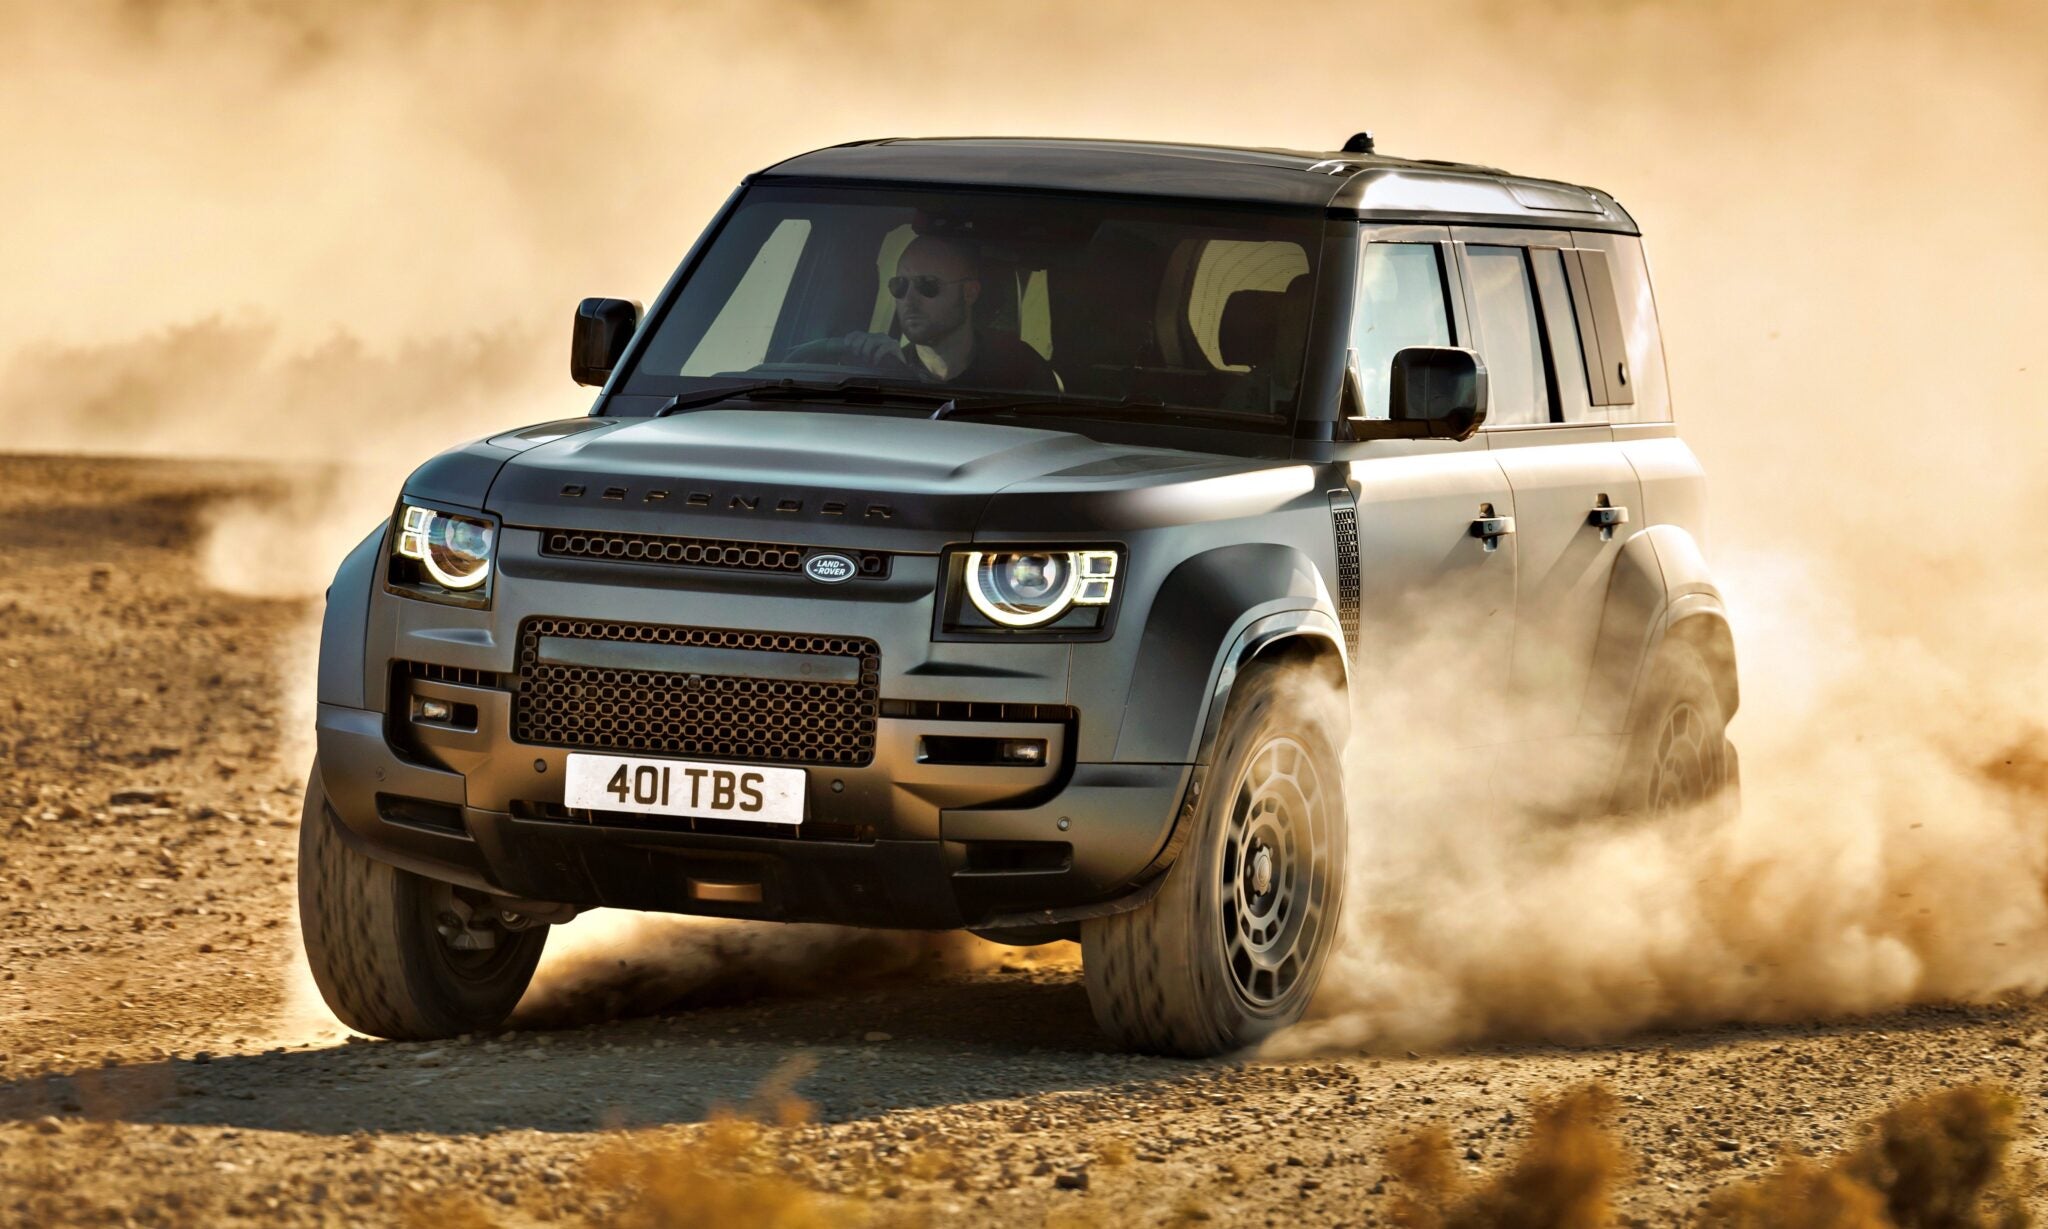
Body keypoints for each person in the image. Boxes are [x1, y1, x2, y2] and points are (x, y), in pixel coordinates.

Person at [785, 235, 1057, 392]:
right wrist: (893, 376)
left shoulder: (1019, 371)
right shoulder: (882, 373)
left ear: (970, 293)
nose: (909, 300)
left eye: (928, 286)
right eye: (899, 285)